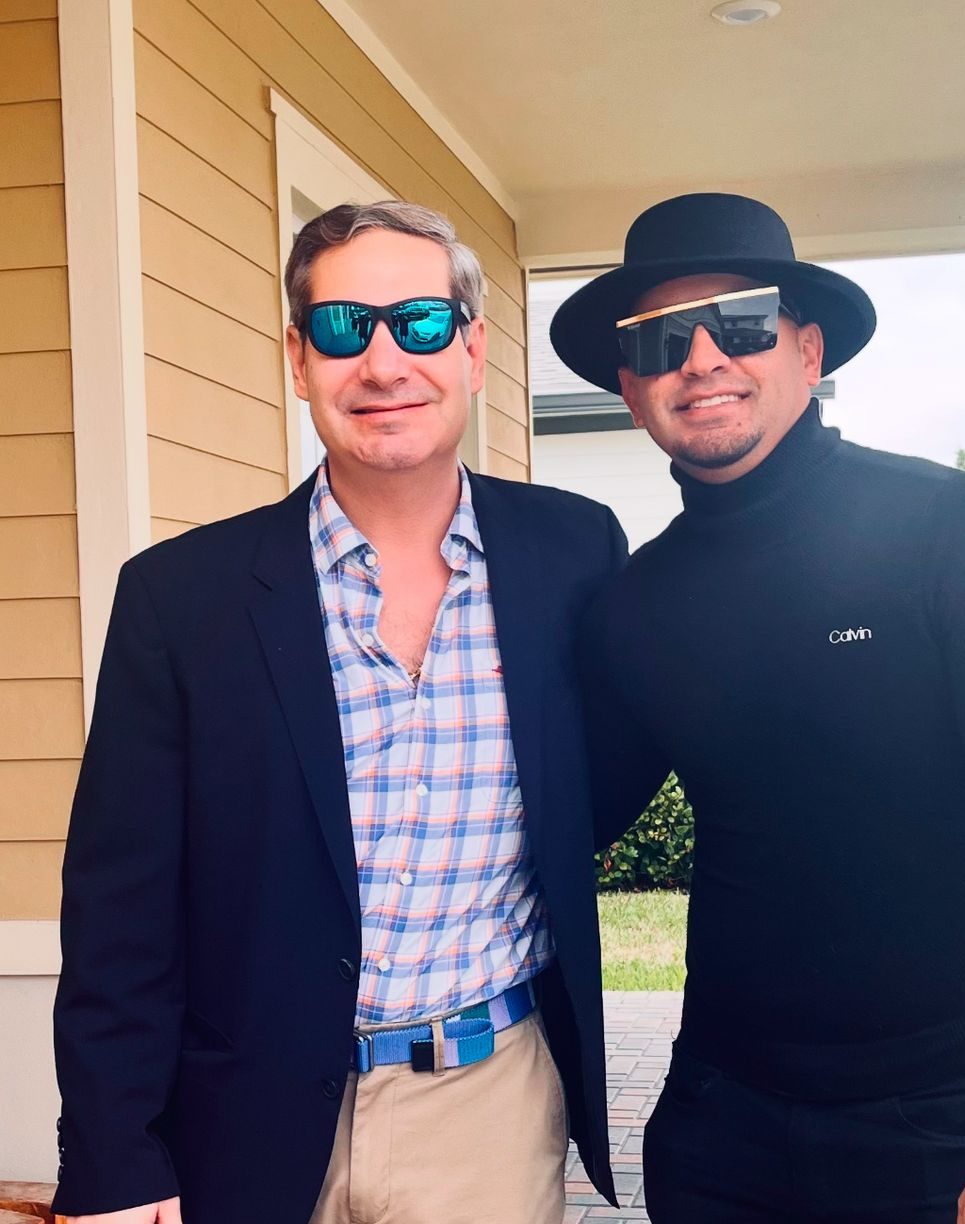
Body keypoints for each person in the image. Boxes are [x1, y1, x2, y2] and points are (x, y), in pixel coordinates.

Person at [53, 201, 632, 1224]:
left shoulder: (575, 554)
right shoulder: (179, 598)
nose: (382, 361)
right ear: (298, 358)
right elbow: (120, 912)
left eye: (419, 323)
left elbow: (604, 782)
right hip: (244, 1116)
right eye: (341, 327)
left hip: (488, 1113)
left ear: (471, 350)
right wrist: (112, 1157)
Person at [554, 192, 965, 1224]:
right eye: (660, 340)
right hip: (720, 1124)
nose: (702, 359)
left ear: (808, 351)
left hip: (941, 1123)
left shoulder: (960, 534)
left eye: (740, 324)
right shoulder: (638, 605)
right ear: (630, 387)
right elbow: (559, 819)